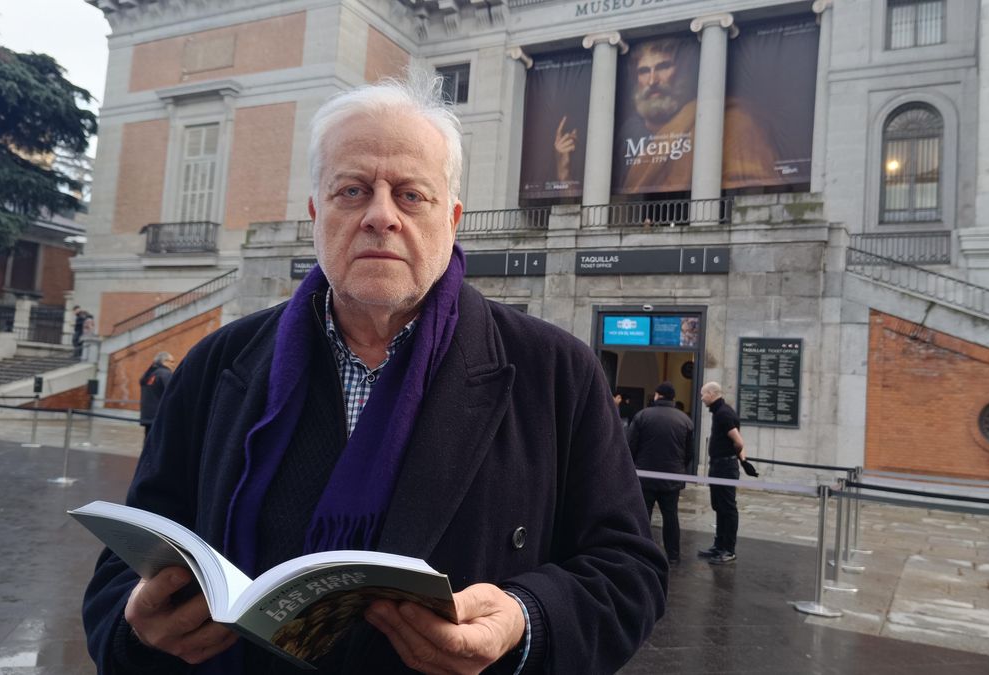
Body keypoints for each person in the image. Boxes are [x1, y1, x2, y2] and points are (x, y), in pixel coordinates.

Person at [82, 70, 667, 674]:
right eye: (353, 190)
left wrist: (526, 619)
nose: (380, 216)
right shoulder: (217, 364)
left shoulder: (556, 371)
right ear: (316, 212)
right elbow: (122, 572)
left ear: (453, 219)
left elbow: (629, 572)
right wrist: (136, 625)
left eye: (411, 195)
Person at [615, 38, 698, 194]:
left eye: (663, 67)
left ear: (681, 72)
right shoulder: (626, 132)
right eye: (644, 71)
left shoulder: (702, 119)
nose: (652, 81)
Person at [626, 382, 693, 564]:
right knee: (670, 516)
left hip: (645, 477)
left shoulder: (642, 416)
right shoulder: (685, 420)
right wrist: (679, 469)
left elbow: (630, 446)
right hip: (672, 478)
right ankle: (673, 555)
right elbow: (690, 453)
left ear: (657, 395)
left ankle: (642, 552)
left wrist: (631, 469)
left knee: (643, 515)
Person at [698, 381, 746, 564]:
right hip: (719, 466)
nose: (701, 398)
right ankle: (719, 546)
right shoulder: (719, 412)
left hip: (725, 467)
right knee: (718, 506)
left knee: (727, 508)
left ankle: (729, 550)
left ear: (711, 394)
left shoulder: (724, 413)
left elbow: (738, 441)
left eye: (703, 394)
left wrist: (735, 455)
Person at [138, 351, 174, 440]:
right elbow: (172, 394)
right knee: (157, 443)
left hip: (147, 415)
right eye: (171, 361)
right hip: (160, 416)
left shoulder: (149, 374)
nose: (173, 364)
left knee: (148, 442)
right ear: (164, 361)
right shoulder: (165, 374)